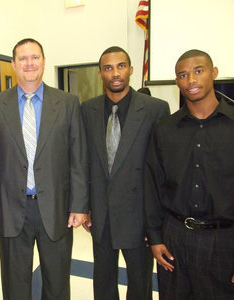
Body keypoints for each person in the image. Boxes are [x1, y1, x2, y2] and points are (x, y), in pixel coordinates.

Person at [0, 38, 88, 300]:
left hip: (56, 207)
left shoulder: (67, 103)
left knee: (57, 281)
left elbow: (78, 158)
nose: (29, 63)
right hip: (10, 208)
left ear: (43, 61)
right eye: (23, 58)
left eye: (35, 57)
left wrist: (79, 205)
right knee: (15, 283)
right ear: (13, 64)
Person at [81, 46, 170, 300]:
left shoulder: (155, 109)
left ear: (131, 70)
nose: (115, 73)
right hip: (101, 214)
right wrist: (84, 205)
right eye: (108, 68)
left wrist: (156, 220)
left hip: (139, 214)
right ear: (100, 74)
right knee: (103, 281)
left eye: (121, 66)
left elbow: (161, 170)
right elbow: (83, 161)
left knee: (140, 283)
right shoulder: (88, 109)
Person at [145, 49, 234, 299]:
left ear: (214, 73)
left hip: (224, 241)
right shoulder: (165, 129)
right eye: (183, 75)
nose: (191, 80)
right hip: (175, 238)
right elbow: (153, 186)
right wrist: (155, 238)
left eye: (198, 71)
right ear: (177, 82)